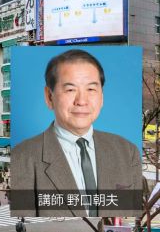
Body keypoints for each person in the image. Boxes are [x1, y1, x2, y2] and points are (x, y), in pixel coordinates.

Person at [11, 49, 143, 217]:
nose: (81, 101)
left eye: (91, 89)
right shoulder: (22, 158)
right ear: (49, 97)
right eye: (70, 90)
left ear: (101, 97)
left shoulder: (127, 152)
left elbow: (133, 221)